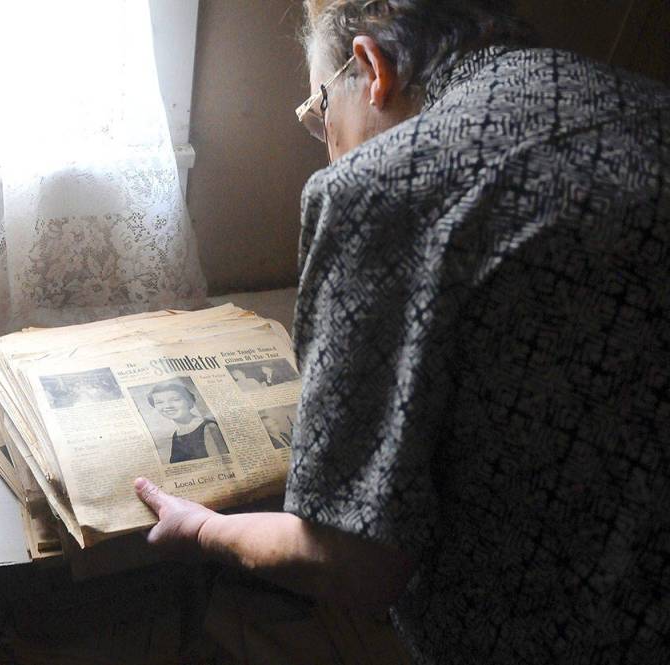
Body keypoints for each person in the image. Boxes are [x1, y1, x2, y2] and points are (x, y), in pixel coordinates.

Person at [134, 1, 670, 663]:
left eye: (320, 113)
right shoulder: (644, 102)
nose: (327, 144)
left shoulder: (385, 184)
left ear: (372, 68)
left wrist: (207, 530)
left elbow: (352, 563)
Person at [146, 381, 229, 463]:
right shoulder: (176, 434)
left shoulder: (209, 427)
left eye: (175, 399)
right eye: (159, 402)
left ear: (189, 401)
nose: (168, 406)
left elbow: (222, 464)